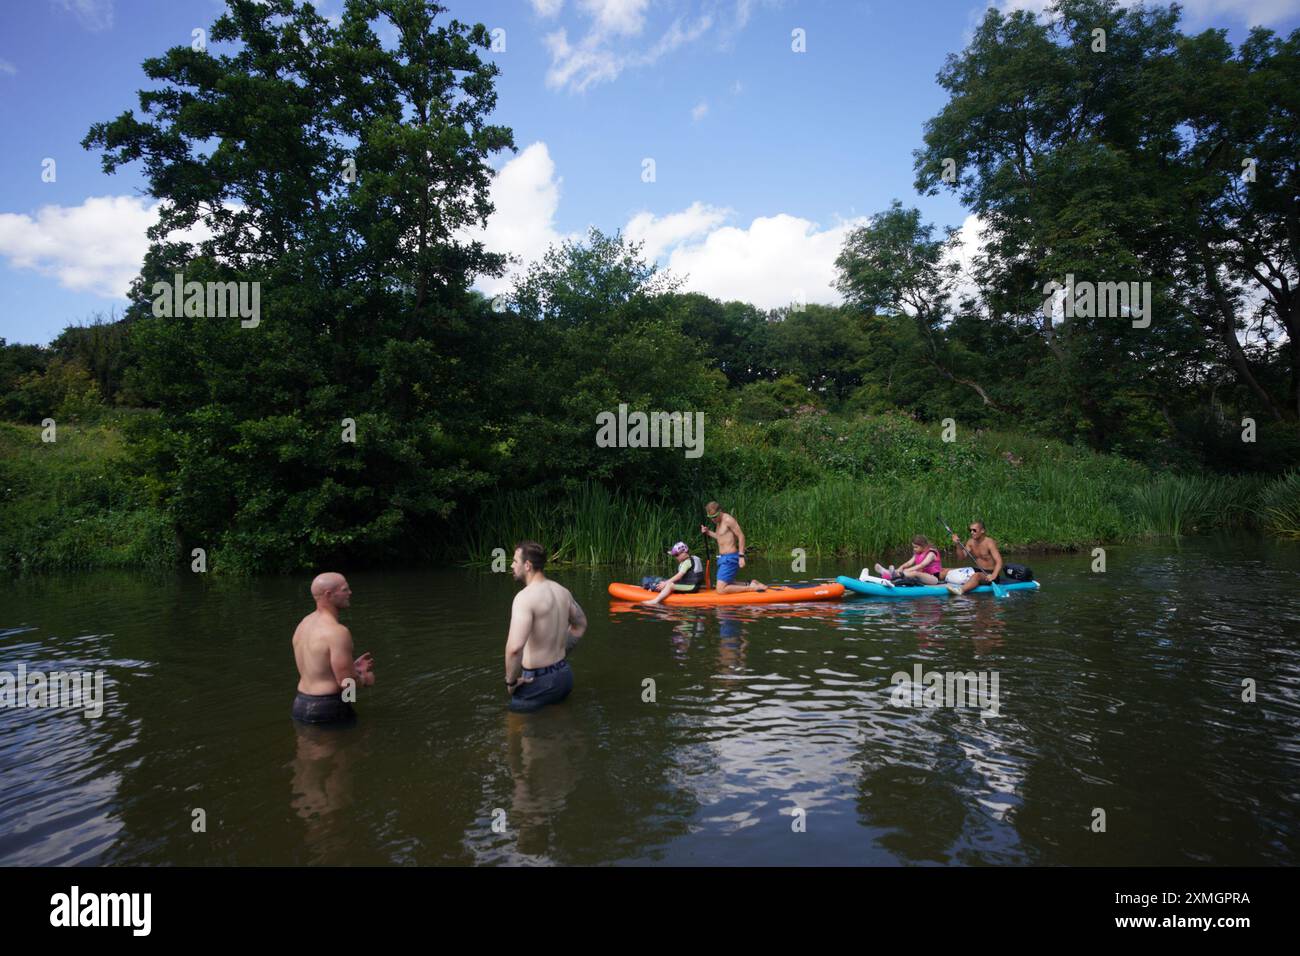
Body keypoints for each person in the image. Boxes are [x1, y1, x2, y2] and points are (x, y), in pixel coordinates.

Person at [505, 541, 587, 713]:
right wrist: (560, 652)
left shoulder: (524, 598)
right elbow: (580, 625)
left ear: (527, 565)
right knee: (556, 725)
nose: (511, 565)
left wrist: (511, 683)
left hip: (537, 681)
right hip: (564, 676)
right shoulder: (563, 592)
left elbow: (514, 648)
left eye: (515, 561)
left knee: (513, 727)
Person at [291, 572, 375, 724]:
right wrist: (364, 679)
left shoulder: (304, 624)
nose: (350, 593)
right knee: (351, 745)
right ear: (328, 595)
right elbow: (347, 686)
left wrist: (352, 668)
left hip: (301, 704)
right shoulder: (337, 632)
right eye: (344, 590)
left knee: (307, 747)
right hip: (328, 708)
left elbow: (318, 669)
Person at [700, 501, 766, 593]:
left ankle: (752, 589)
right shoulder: (718, 522)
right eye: (710, 517)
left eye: (715, 516)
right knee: (728, 582)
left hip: (730, 558)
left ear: (720, 511)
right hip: (723, 559)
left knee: (720, 589)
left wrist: (741, 556)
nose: (713, 520)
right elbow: (721, 537)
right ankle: (751, 583)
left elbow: (741, 536)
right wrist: (708, 532)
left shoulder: (728, 520)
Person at [946, 520, 1005, 595]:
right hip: (976, 570)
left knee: (977, 576)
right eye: (970, 530)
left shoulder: (989, 542)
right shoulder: (970, 542)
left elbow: (999, 561)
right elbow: (961, 558)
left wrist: (994, 575)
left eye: (974, 530)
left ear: (982, 530)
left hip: (989, 573)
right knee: (947, 571)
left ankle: (960, 590)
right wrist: (957, 545)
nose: (971, 532)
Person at [644, 541, 706, 605]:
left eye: (676, 555)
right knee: (668, 582)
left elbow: (679, 576)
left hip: (691, 587)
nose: (675, 557)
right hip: (694, 586)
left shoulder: (687, 562)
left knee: (670, 585)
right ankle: (655, 588)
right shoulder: (693, 559)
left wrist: (666, 583)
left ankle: (655, 600)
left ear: (684, 553)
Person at [875, 535, 943, 585]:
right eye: (913, 547)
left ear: (923, 545)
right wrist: (901, 567)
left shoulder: (931, 553)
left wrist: (908, 570)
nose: (914, 549)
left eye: (916, 547)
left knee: (915, 573)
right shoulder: (918, 554)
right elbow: (908, 563)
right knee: (908, 572)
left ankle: (892, 574)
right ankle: (887, 572)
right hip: (922, 577)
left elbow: (922, 565)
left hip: (934, 579)